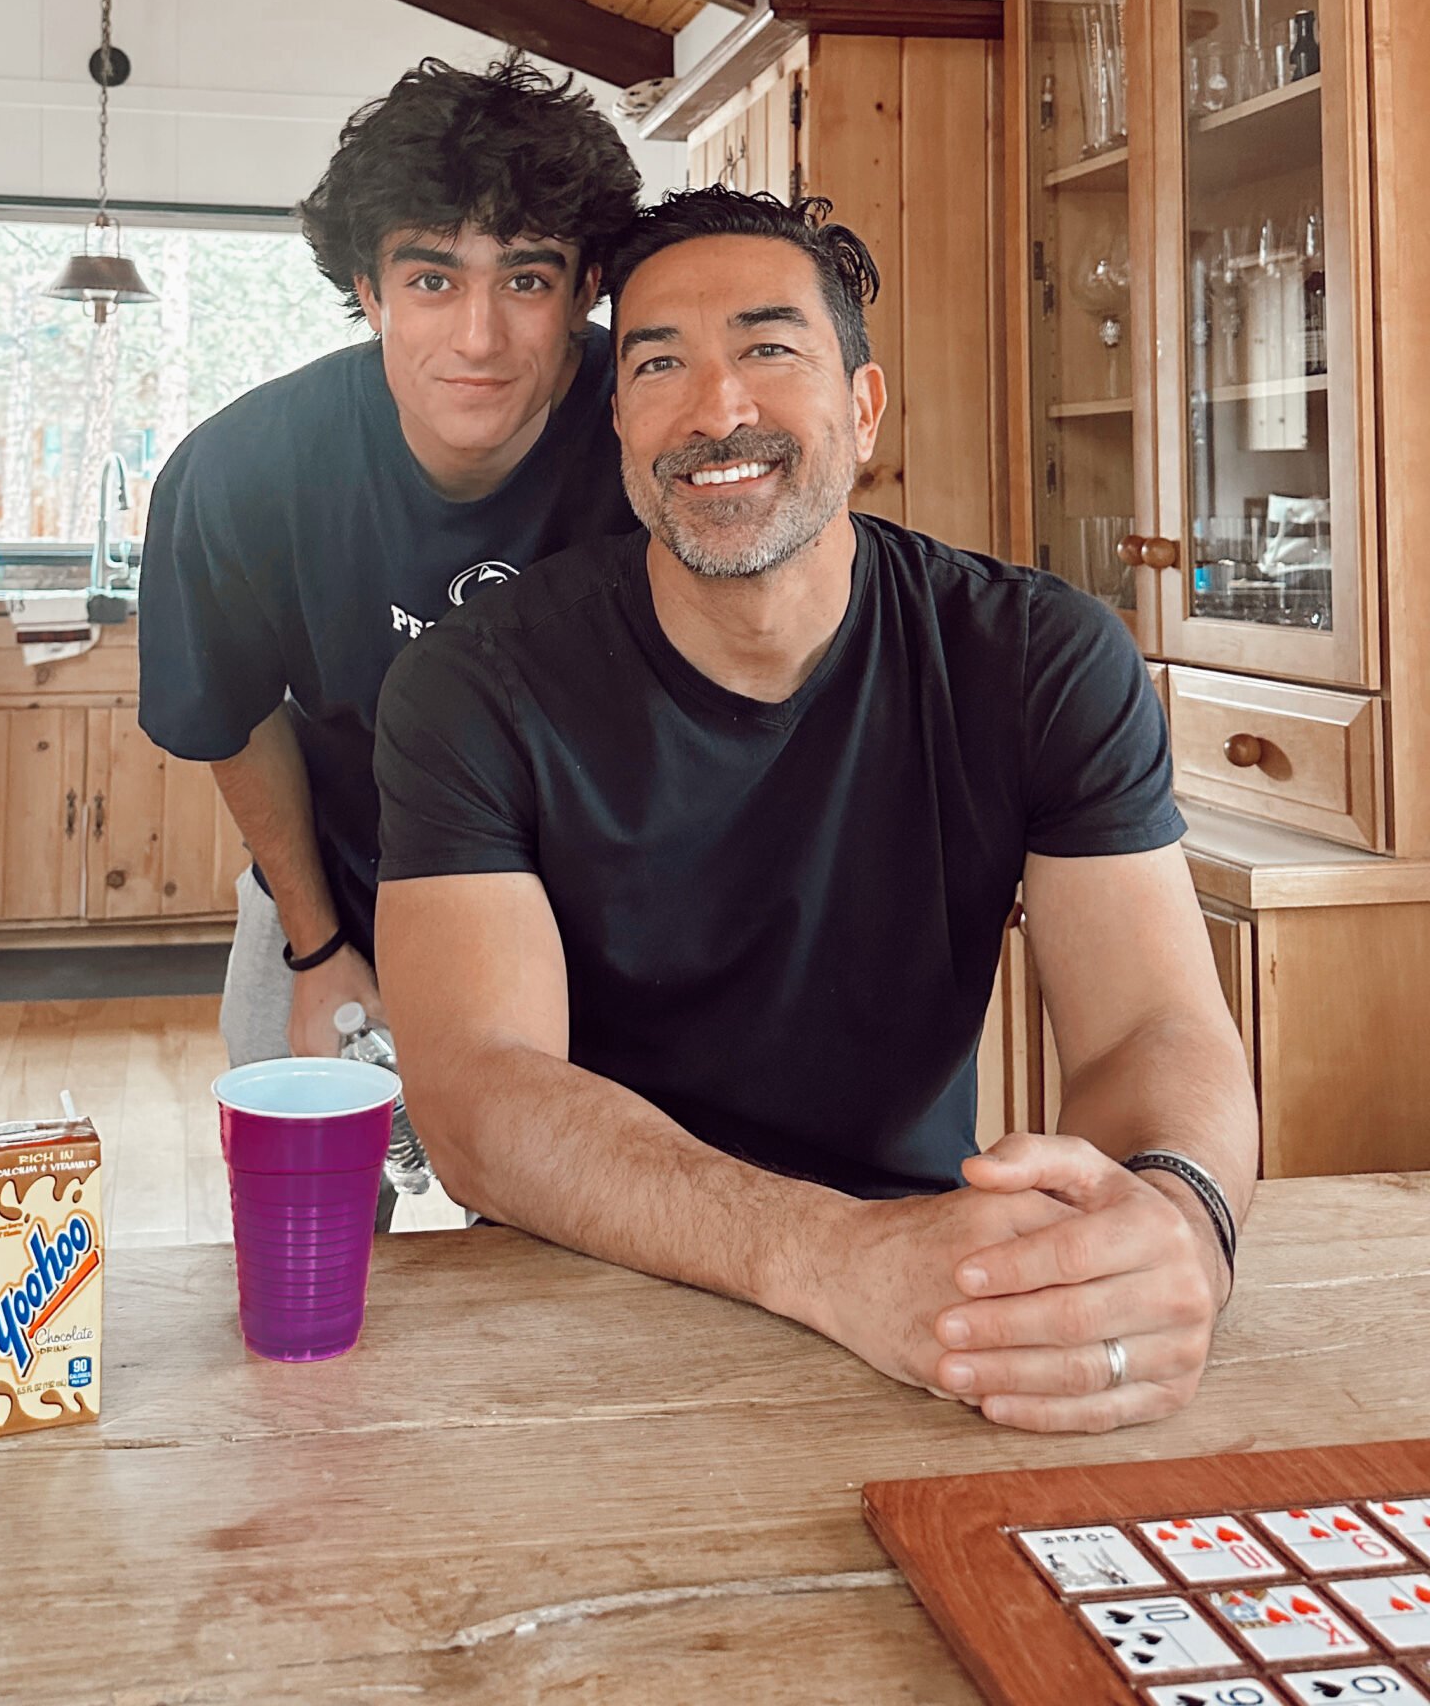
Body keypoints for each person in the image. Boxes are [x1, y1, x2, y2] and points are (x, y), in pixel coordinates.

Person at [373, 187, 1257, 1435]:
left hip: (933, 1281)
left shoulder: (1035, 655)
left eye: (770, 349)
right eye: (660, 362)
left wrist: (1170, 1224)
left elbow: (1155, 1026)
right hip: (585, 1281)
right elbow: (476, 1090)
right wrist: (835, 1258)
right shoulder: (472, 683)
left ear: (864, 403)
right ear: (619, 417)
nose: (715, 406)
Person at [137, 53, 641, 1081]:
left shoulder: (654, 452)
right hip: (331, 886)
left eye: (528, 278)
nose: (478, 334)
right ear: (369, 292)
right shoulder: (242, 474)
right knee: (301, 1215)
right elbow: (234, 716)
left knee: (576, 1220)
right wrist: (318, 950)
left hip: (602, 907)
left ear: (589, 288)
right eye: (431, 278)